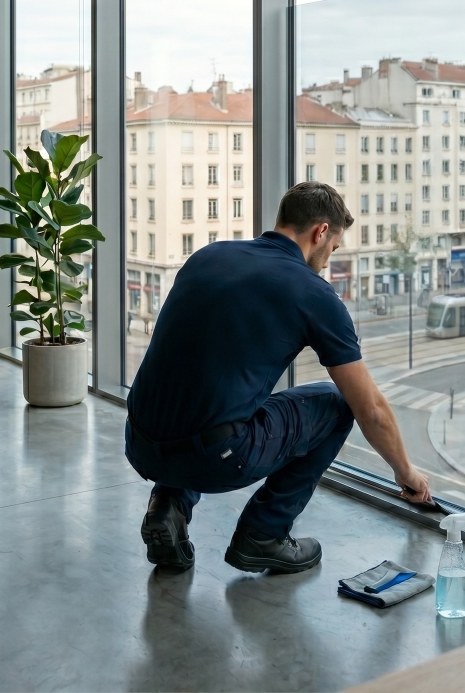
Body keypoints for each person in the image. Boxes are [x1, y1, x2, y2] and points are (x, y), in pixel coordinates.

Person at [125, 181, 432, 574]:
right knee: (338, 405)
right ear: (321, 232)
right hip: (215, 458)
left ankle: (167, 505)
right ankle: (263, 534)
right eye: (333, 249)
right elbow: (369, 407)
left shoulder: (208, 255)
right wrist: (406, 472)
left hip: (140, 442)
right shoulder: (313, 294)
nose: (327, 261)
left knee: (203, 392)